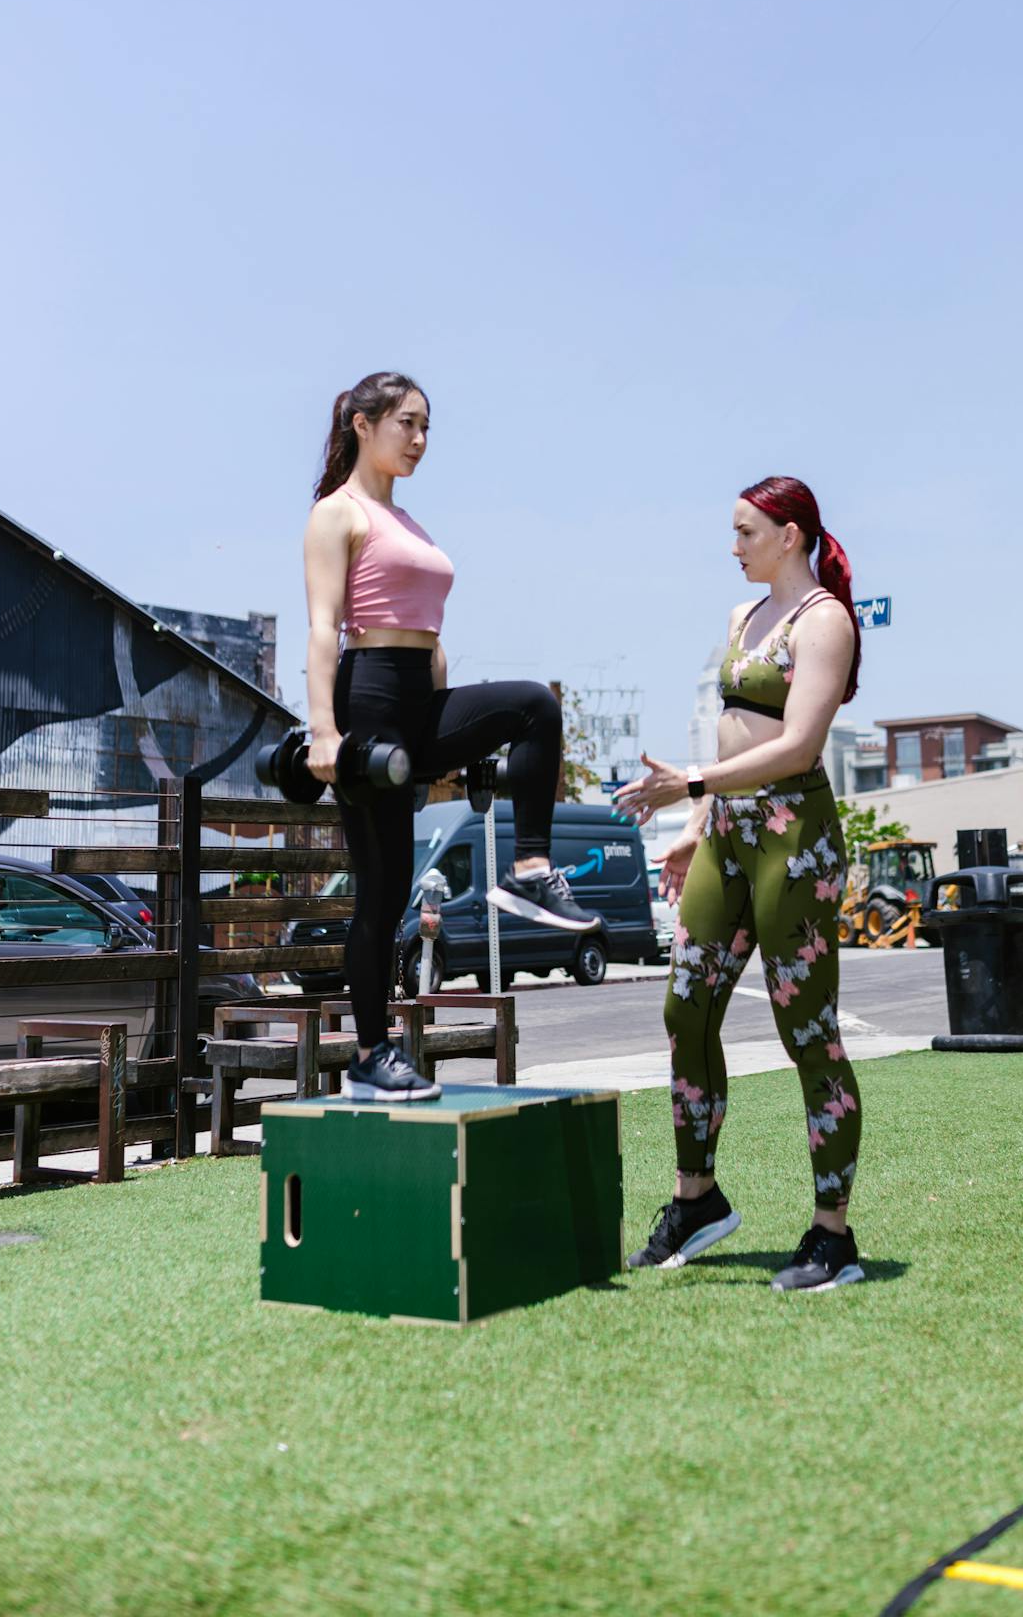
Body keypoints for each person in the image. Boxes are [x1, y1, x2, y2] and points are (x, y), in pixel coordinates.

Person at [303, 370, 603, 1102]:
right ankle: (371, 1055)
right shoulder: (335, 515)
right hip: (366, 696)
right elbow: (321, 628)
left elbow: (432, 638)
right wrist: (322, 733)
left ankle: (530, 868)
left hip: (418, 697)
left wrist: (457, 747)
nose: (419, 439)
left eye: (426, 426)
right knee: (383, 894)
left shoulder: (408, 522)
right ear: (361, 424)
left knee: (533, 706)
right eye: (406, 423)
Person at [614, 477, 866, 1293]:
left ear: (789, 534)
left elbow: (796, 745)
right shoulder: (742, 618)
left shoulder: (823, 620)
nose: (734, 547)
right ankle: (697, 1198)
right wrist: (694, 826)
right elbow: (728, 726)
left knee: (808, 1034)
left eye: (746, 532)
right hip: (726, 837)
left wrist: (690, 783)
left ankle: (833, 1235)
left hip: (792, 842)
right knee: (683, 1010)